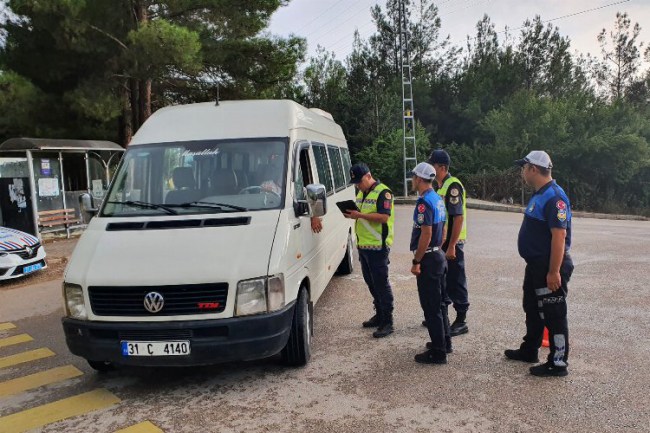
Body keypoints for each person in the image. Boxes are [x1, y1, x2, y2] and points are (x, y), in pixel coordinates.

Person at [506, 150, 574, 377]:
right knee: (532, 308)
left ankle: (558, 362)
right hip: (536, 264)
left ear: (533, 169)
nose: (522, 172)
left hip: (549, 266)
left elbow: (559, 237)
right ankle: (529, 350)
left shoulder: (555, 197)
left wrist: (554, 271)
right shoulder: (540, 194)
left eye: (524, 168)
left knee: (554, 314)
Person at [344, 163, 395, 338]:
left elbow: (383, 217)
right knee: (371, 283)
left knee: (381, 284)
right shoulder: (361, 193)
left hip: (378, 247)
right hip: (364, 246)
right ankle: (379, 314)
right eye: (356, 182)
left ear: (368, 176)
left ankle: (388, 321)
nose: (358, 185)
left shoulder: (383, 192)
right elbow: (362, 215)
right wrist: (351, 213)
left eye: (359, 181)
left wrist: (359, 215)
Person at [409, 162, 451, 364]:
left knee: (431, 306)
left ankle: (438, 351)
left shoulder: (424, 202)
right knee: (441, 303)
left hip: (429, 259)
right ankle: (445, 341)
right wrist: (438, 248)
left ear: (418, 179)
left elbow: (426, 232)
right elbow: (442, 230)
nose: (412, 180)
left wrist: (417, 260)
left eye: (413, 177)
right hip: (439, 256)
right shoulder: (438, 199)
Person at [427, 149, 470, 337]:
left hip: (453, 242)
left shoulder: (453, 186)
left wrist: (452, 245)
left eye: (433, 166)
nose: (430, 169)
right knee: (441, 278)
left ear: (442, 167)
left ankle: (461, 320)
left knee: (456, 279)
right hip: (442, 241)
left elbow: (458, 217)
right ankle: (441, 314)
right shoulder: (440, 186)